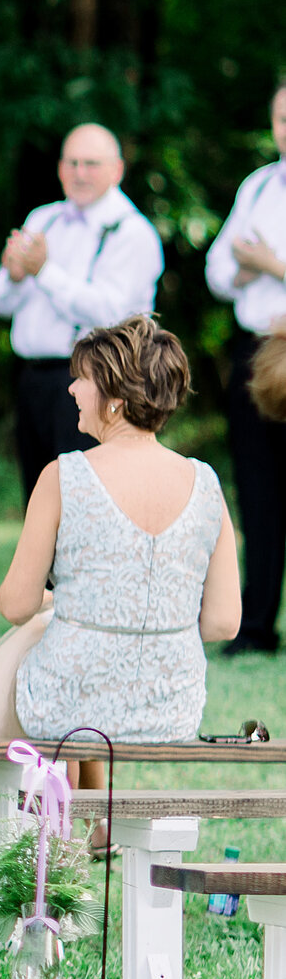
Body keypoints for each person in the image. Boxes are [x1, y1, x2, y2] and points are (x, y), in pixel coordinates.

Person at [0, 316, 238, 743]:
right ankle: (90, 810)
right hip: (171, 714)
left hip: (66, 709)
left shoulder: (63, 476)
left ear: (114, 399)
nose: (71, 389)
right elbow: (223, 623)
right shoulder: (207, 484)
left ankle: (60, 807)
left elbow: (16, 605)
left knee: (19, 655)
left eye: (83, 379)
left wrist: (81, 611)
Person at [0, 123, 164, 500]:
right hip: (34, 379)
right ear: (60, 168)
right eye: (72, 163)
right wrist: (15, 277)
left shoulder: (132, 233)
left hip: (98, 384)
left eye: (91, 164)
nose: (80, 173)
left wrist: (43, 272)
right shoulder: (43, 219)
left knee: (85, 501)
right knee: (37, 499)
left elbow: (113, 313)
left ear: (117, 169)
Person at [204, 78, 286, 655]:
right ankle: (256, 625)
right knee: (257, 491)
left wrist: (270, 263)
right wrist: (243, 271)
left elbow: (255, 256)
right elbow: (216, 268)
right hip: (258, 352)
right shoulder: (257, 185)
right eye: (282, 118)